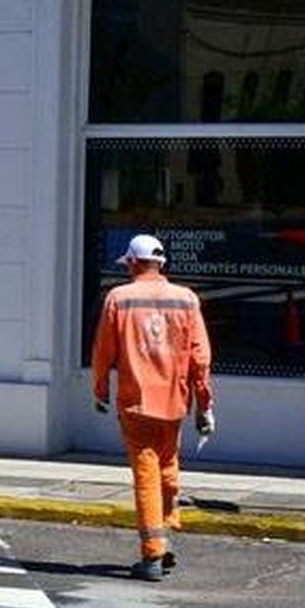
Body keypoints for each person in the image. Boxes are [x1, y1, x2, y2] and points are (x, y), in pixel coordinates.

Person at [91, 233, 214, 581]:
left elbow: (103, 352)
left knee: (146, 475)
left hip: (137, 402)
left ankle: (153, 554)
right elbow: (200, 358)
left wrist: (100, 389)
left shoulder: (119, 298)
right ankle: (165, 538)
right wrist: (204, 403)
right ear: (161, 263)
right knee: (167, 469)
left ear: (132, 262)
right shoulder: (187, 299)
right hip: (175, 403)